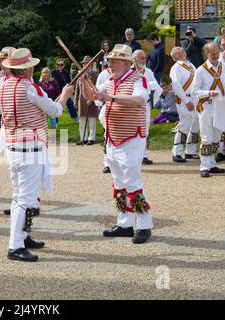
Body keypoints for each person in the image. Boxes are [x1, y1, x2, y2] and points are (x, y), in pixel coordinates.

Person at [0, 48, 74, 261]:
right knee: (25, 198)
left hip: (14, 147)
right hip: (30, 149)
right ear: (27, 68)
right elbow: (55, 111)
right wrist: (65, 96)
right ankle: (15, 246)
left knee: (19, 196)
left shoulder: (2, 87)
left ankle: (22, 236)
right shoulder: (30, 87)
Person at [94, 44, 153, 244]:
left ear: (127, 63)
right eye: (109, 60)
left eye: (114, 60)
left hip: (131, 138)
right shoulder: (111, 79)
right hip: (113, 138)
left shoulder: (139, 79)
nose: (110, 63)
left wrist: (111, 97)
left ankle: (144, 225)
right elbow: (92, 96)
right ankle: (125, 223)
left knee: (133, 183)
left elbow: (139, 100)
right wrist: (85, 83)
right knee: (119, 184)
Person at [191, 43, 225, 178]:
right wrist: (208, 92)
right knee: (206, 136)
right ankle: (204, 166)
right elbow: (194, 91)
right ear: (206, 54)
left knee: (217, 135)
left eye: (216, 52)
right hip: (206, 106)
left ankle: (212, 164)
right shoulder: (201, 70)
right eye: (212, 53)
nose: (215, 55)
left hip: (221, 106)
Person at [169, 47, 199, 163]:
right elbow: (176, 85)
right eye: (179, 49)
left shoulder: (191, 65)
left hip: (195, 98)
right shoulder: (176, 67)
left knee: (195, 124)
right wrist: (186, 101)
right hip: (184, 100)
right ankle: (176, 153)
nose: (182, 49)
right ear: (175, 56)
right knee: (184, 124)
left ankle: (190, 152)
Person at [133, 49, 163, 165]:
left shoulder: (148, 71)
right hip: (133, 106)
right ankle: (134, 155)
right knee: (134, 130)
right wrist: (149, 84)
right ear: (134, 59)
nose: (144, 60)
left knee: (145, 130)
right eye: (141, 58)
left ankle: (144, 155)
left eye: (145, 57)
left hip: (145, 105)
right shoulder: (129, 72)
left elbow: (155, 85)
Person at [75, 55, 99, 145]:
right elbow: (77, 89)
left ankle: (91, 138)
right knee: (82, 120)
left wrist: (92, 99)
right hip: (81, 100)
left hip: (92, 99)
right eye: (85, 63)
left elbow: (97, 88)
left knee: (92, 120)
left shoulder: (95, 74)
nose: (86, 65)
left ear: (91, 64)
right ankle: (83, 138)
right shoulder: (80, 74)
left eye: (88, 63)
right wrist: (75, 101)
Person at [51, 59, 79, 123]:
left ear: (63, 66)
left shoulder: (65, 72)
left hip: (65, 92)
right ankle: (55, 122)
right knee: (55, 107)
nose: (60, 66)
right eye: (58, 65)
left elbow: (69, 82)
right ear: (56, 65)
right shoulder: (53, 72)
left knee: (71, 104)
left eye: (61, 65)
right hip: (56, 93)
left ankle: (76, 118)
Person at [96, 62, 112, 173]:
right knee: (108, 136)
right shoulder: (103, 75)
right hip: (107, 109)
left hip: (124, 112)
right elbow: (98, 88)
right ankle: (107, 163)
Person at [216, 35, 225, 162]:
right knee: (221, 125)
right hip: (221, 96)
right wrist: (221, 58)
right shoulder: (217, 59)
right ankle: (220, 151)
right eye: (224, 45)